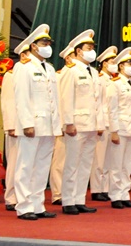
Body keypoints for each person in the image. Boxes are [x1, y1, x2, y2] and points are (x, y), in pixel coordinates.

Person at [13, 24, 62, 220]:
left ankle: (37, 204)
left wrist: (57, 124)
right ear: (33, 46)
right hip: (32, 124)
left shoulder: (49, 69)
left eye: (49, 43)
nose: (47, 46)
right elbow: (21, 97)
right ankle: (24, 206)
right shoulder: (23, 67)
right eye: (43, 43)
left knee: (42, 166)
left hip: (48, 125)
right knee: (26, 165)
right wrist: (26, 123)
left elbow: (54, 100)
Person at [59, 30, 103, 214]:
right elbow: (65, 97)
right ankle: (68, 200)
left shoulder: (93, 72)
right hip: (77, 125)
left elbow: (98, 101)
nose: (91, 51)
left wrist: (100, 124)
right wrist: (68, 122)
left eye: (93, 48)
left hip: (91, 125)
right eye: (88, 48)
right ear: (78, 51)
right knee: (72, 163)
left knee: (85, 163)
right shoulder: (71, 71)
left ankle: (79, 199)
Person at [106, 47, 131, 209]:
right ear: (120, 66)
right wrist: (113, 131)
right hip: (120, 128)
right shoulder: (114, 84)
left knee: (127, 164)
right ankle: (115, 196)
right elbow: (111, 108)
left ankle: (124, 194)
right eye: (129, 63)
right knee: (116, 164)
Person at [0, 42, 31, 212]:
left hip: (32, 125)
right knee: (14, 162)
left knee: (27, 164)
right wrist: (10, 125)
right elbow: (8, 101)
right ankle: (11, 197)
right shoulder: (11, 75)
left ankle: (25, 196)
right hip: (16, 125)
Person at [89, 46, 118, 202]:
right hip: (102, 122)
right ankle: (96, 189)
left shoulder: (114, 80)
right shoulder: (99, 79)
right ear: (105, 63)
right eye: (112, 61)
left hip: (112, 123)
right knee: (99, 159)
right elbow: (98, 103)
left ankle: (105, 188)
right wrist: (99, 123)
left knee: (108, 159)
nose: (114, 63)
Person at [49, 44, 75, 205]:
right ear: (67, 58)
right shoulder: (59, 75)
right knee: (60, 160)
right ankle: (57, 193)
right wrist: (61, 124)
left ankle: (69, 193)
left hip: (74, 124)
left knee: (71, 161)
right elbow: (59, 101)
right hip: (61, 124)